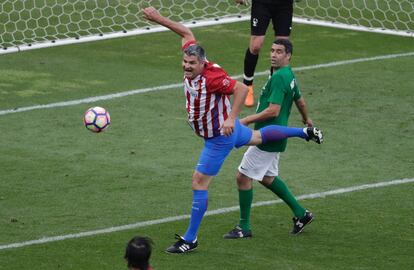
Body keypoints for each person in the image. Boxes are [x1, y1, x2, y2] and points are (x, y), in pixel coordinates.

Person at [143, 7, 323, 254]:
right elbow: (185, 32)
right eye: (185, 61)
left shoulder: (212, 78)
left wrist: (231, 118)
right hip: (233, 131)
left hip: (219, 138)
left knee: (199, 182)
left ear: (202, 63)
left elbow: (239, 89)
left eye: (192, 63)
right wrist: (158, 18)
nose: (186, 66)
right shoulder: (191, 55)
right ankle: (303, 133)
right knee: (258, 137)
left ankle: (190, 238)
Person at [223, 39, 315, 240]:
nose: (273, 54)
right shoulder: (287, 74)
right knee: (267, 177)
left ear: (288, 55)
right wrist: (307, 118)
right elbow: (299, 99)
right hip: (275, 135)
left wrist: (246, 119)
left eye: (279, 52)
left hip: (268, 136)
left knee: (242, 177)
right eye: (272, 50)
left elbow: (274, 110)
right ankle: (301, 214)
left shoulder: (280, 76)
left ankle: (244, 227)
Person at [235, 0, 294, 107]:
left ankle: (272, 87)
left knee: (282, 46)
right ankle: (247, 85)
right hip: (262, 3)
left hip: (284, 5)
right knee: (255, 46)